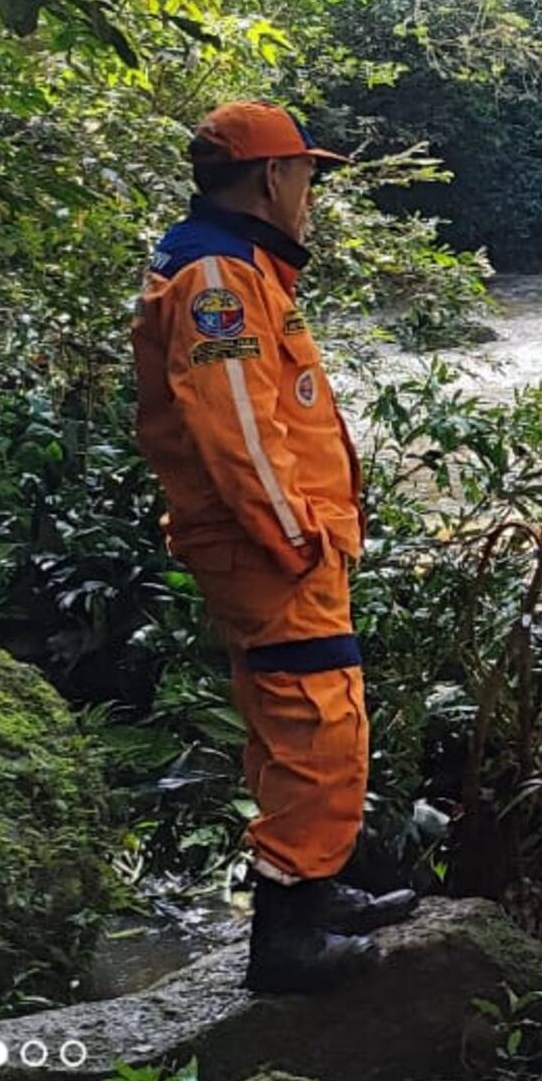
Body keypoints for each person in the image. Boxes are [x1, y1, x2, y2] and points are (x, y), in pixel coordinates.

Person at [131, 100, 416, 993]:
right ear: (269, 179)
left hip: (272, 545)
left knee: (293, 723)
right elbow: (239, 430)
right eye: (307, 175)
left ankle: (310, 892)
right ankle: (287, 944)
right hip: (271, 549)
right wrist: (298, 538)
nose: (311, 193)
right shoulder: (218, 276)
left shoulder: (236, 266)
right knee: (317, 727)